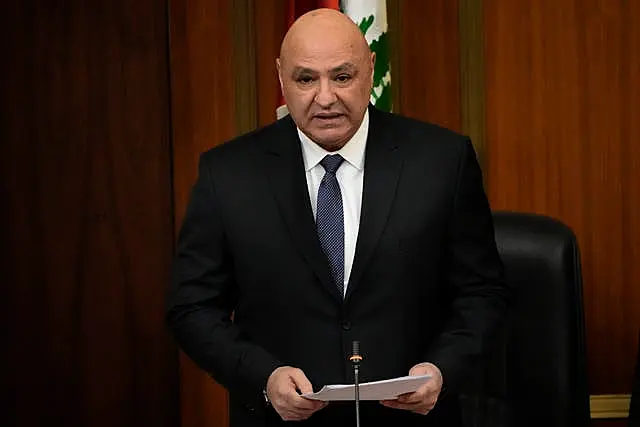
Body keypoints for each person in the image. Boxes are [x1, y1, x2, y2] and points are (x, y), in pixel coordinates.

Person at [167, 8, 508, 427]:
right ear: (280, 77)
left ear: (371, 69)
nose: (325, 98)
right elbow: (193, 308)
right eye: (305, 79)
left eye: (342, 77)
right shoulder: (228, 174)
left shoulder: (441, 161)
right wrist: (263, 377)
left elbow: (483, 292)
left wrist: (441, 370)